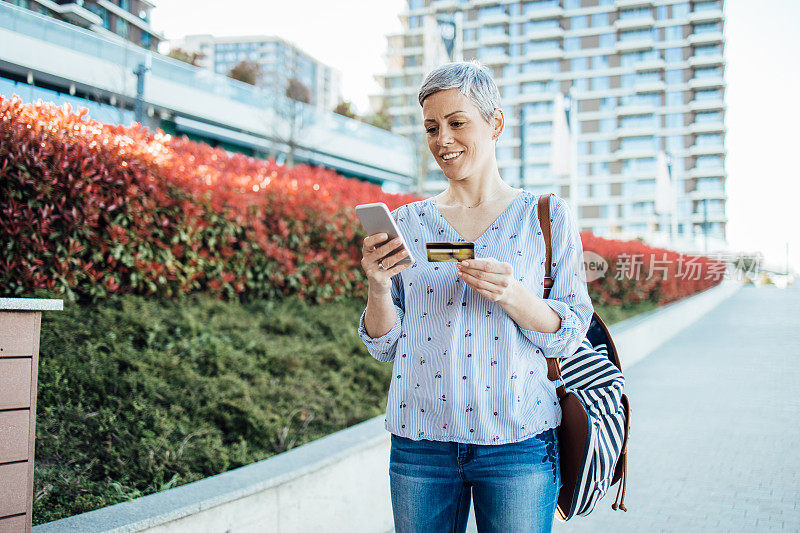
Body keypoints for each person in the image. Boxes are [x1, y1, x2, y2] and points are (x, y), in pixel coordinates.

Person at [357, 61, 593, 533]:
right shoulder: (408, 224)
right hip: (420, 444)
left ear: (496, 123)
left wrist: (514, 295)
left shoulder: (544, 217)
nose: (442, 139)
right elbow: (384, 345)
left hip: (518, 443)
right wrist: (378, 287)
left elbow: (569, 334)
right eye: (431, 127)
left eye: (457, 122)